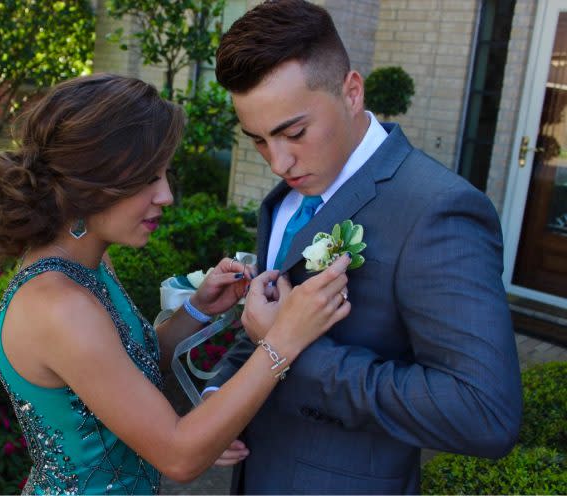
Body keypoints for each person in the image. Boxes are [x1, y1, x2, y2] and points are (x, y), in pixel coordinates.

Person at [0, 73, 352, 495]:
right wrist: (283, 341)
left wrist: (196, 311)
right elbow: (179, 455)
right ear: (87, 182)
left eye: (164, 174)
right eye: (148, 178)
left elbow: (124, 366)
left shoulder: (87, 263)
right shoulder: (59, 306)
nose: (166, 195)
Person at [204, 1, 523, 493]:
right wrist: (220, 394)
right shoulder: (287, 200)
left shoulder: (438, 211)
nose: (278, 162)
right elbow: (263, 318)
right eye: (258, 141)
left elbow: (484, 413)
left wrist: (291, 350)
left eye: (294, 132)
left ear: (352, 92)